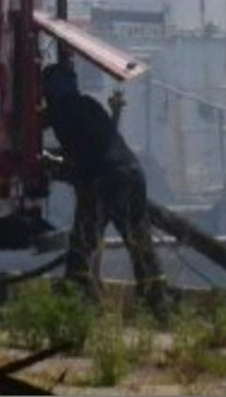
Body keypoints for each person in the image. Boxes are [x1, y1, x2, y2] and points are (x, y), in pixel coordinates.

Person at [41, 62, 169, 316]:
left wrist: (47, 163)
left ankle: (74, 310)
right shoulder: (89, 105)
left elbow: (73, 156)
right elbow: (91, 146)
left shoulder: (59, 113)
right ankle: (158, 309)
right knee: (141, 249)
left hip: (103, 179)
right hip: (132, 173)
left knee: (82, 248)